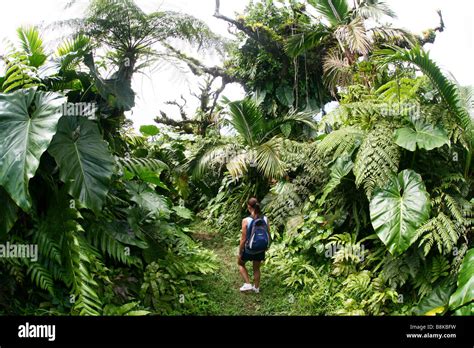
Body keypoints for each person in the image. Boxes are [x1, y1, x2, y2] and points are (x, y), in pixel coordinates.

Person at [237, 197, 270, 293]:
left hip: (249, 249)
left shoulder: (246, 220)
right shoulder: (265, 218)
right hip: (260, 248)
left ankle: (247, 284)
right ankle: (256, 288)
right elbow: (268, 233)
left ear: (248, 206)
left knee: (240, 263)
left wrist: (240, 252)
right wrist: (266, 246)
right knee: (256, 268)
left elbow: (243, 239)